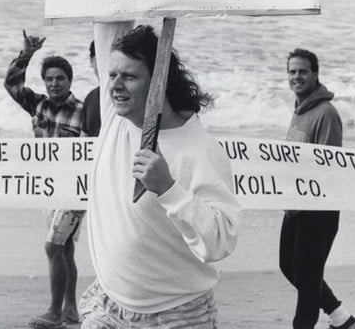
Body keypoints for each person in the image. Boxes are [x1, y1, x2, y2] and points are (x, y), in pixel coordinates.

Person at [80, 22, 240, 328]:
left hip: (176, 314)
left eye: (129, 76)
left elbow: (220, 242)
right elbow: (109, 14)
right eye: (111, 75)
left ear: (159, 81)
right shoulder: (114, 114)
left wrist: (168, 189)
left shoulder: (200, 150)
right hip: (108, 306)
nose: (114, 85)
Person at [4, 30, 84, 328]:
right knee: (64, 248)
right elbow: (11, 84)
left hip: (74, 191)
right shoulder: (37, 104)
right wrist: (27, 54)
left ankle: (54, 312)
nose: (54, 83)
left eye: (59, 78)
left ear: (69, 81)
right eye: (49, 78)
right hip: (47, 189)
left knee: (52, 246)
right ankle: (72, 309)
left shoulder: (82, 111)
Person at [280, 49, 355, 329]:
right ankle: (341, 318)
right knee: (289, 266)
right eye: (292, 71)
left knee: (307, 273)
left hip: (318, 209)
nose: (296, 76)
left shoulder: (326, 113)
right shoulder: (299, 109)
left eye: (302, 71)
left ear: (315, 75)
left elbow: (329, 165)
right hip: (295, 203)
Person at [82, 41, 101, 138]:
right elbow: (83, 138)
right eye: (102, 57)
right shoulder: (90, 98)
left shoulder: (129, 96)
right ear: (91, 61)